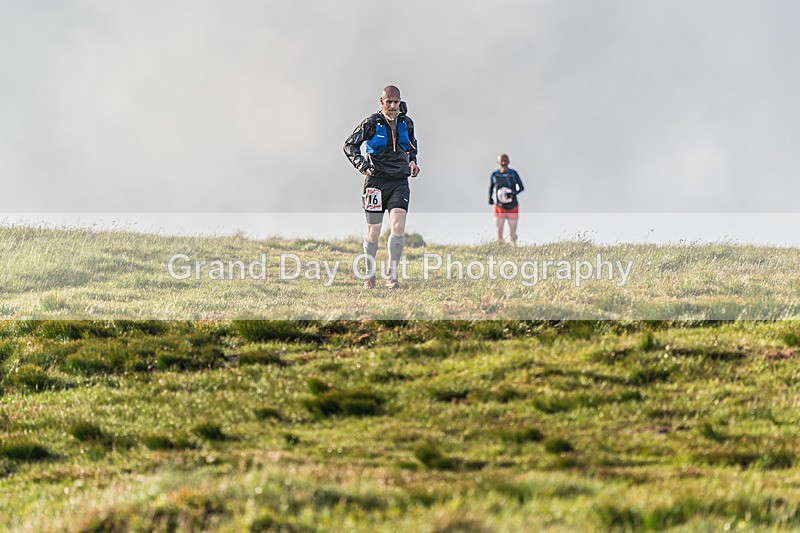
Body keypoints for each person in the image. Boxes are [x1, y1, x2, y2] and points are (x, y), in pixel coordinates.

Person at [344, 85, 420, 288]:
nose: (393, 106)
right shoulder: (371, 123)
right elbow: (349, 145)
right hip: (375, 182)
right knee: (374, 231)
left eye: (396, 102)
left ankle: (392, 273)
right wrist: (362, 165)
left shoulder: (406, 122)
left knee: (398, 226)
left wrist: (413, 161)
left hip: (399, 182)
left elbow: (412, 144)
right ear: (382, 102)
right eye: (389, 102)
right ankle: (369, 272)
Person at [488, 153, 524, 245]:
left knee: (512, 233)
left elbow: (521, 187)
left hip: (512, 206)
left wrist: (513, 194)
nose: (503, 162)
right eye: (501, 161)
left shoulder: (513, 173)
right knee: (499, 231)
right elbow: (491, 187)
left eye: (505, 160)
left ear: (508, 162)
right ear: (498, 162)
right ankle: (500, 248)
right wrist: (490, 198)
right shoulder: (494, 174)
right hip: (499, 206)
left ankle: (514, 248)